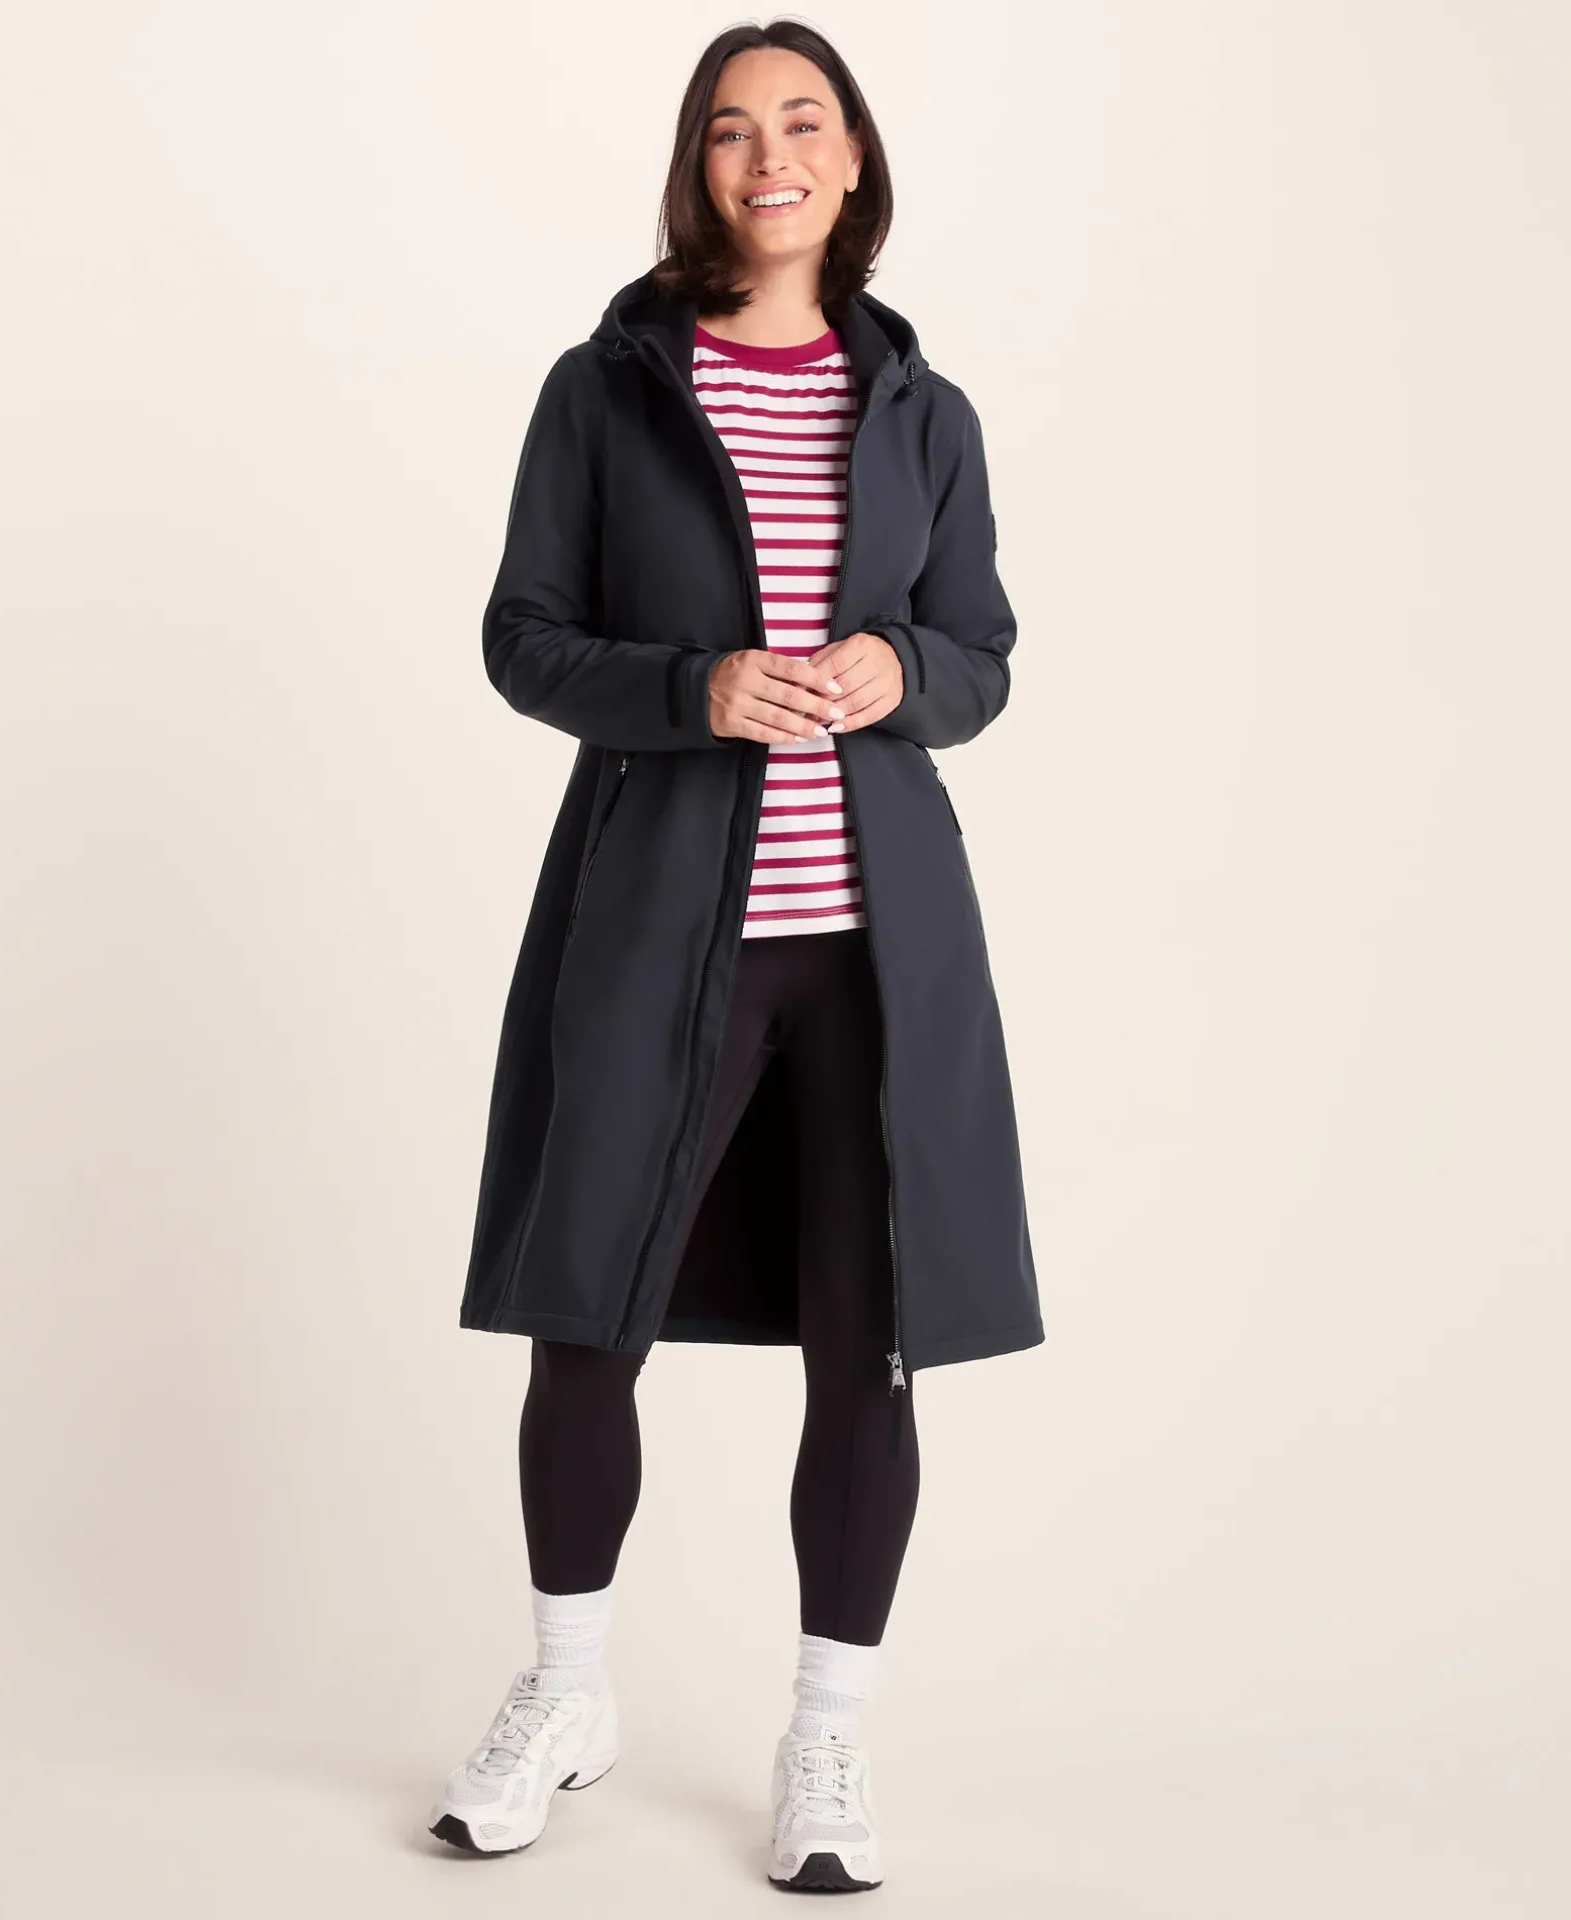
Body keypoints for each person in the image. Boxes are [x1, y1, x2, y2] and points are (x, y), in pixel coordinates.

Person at [427, 19, 1042, 1891]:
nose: (767, 155)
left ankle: (825, 1743)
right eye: (728, 129)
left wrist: (900, 669)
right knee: (584, 1317)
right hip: (655, 927)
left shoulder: (924, 410)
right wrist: (693, 687)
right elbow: (524, 636)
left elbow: (982, 655)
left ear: (853, 159)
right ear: (698, 168)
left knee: (873, 1345)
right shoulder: (604, 390)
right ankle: (567, 1694)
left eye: (802, 121)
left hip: (877, 949)